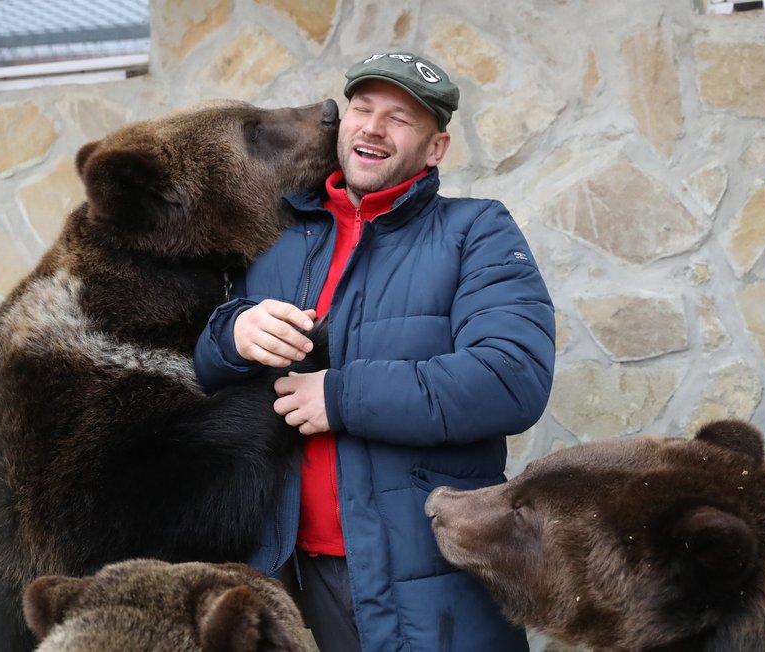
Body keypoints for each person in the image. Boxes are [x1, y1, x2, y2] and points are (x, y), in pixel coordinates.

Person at [194, 52, 555, 652]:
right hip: (300, 573)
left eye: (400, 118)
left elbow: (511, 377)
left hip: (433, 570)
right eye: (362, 109)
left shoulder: (477, 231)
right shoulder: (273, 233)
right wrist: (232, 336)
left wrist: (338, 396)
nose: (373, 128)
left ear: (435, 149)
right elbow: (201, 368)